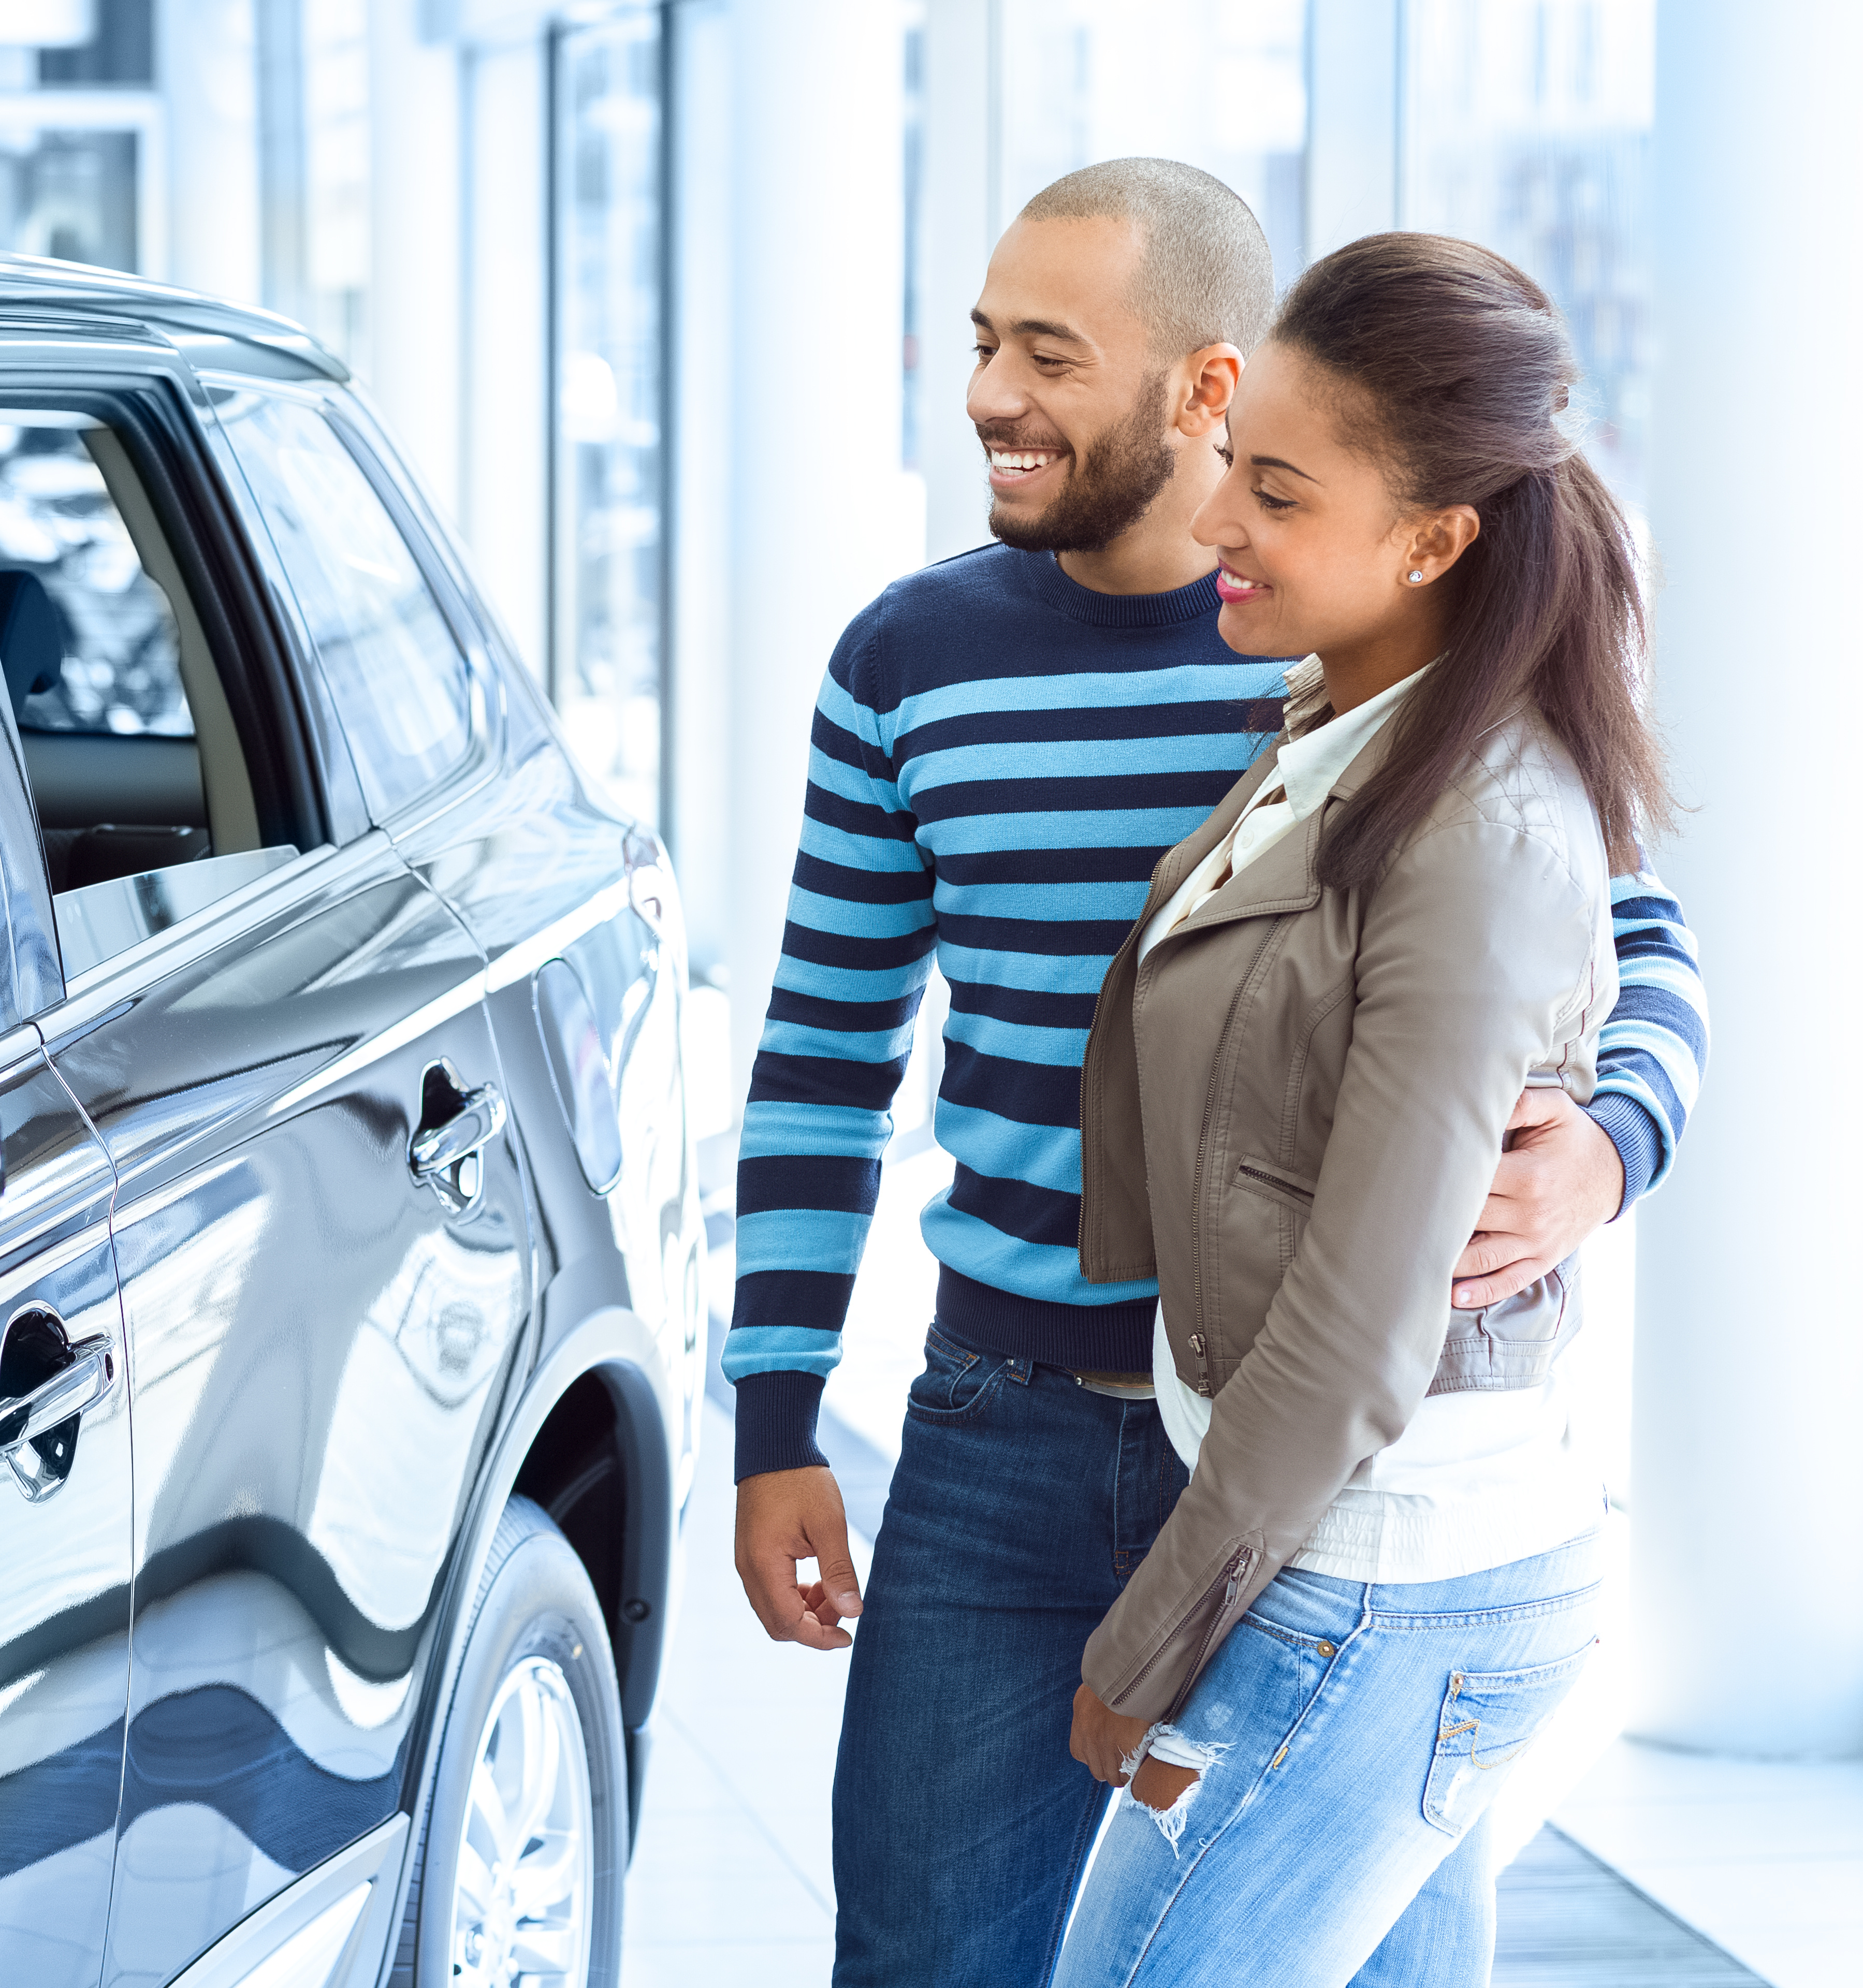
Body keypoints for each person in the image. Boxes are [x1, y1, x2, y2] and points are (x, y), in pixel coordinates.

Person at [724, 159, 1706, 1987]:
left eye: (1050, 354)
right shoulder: (909, 664)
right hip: (1002, 1424)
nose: (991, 398)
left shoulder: (1354, 648)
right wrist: (773, 1413)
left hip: (1321, 1464)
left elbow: (1625, 939)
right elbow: (822, 1051)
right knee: (932, 1957)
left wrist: (1610, 1147)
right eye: (982, 342)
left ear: (1206, 385)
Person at [1051, 229, 1657, 1987]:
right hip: (1359, 1571)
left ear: (1433, 538)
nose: (1217, 523)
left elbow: (1356, 1329)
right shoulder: (1348, 717)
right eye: (1235, 465)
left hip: (1372, 1592)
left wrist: (1144, 1647)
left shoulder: (1479, 831)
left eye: (1278, 494)